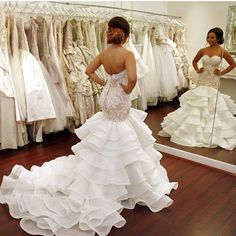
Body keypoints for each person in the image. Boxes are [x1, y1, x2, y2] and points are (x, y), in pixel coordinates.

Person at [0, 16, 177, 236]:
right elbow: (132, 79)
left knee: (108, 130)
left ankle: (106, 169)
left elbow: (88, 71)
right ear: (126, 33)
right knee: (120, 131)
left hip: (106, 96)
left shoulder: (104, 53)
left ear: (110, 32)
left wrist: (106, 82)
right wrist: (126, 89)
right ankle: (123, 177)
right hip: (119, 96)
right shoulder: (128, 54)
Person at [159, 27, 236, 150]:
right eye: (208, 37)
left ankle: (209, 132)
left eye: (212, 37)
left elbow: (233, 64)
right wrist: (197, 69)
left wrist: (221, 72)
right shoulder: (203, 50)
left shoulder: (222, 51)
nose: (210, 39)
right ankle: (192, 130)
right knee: (197, 103)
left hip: (213, 81)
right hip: (202, 79)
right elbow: (194, 62)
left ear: (218, 38)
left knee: (211, 105)